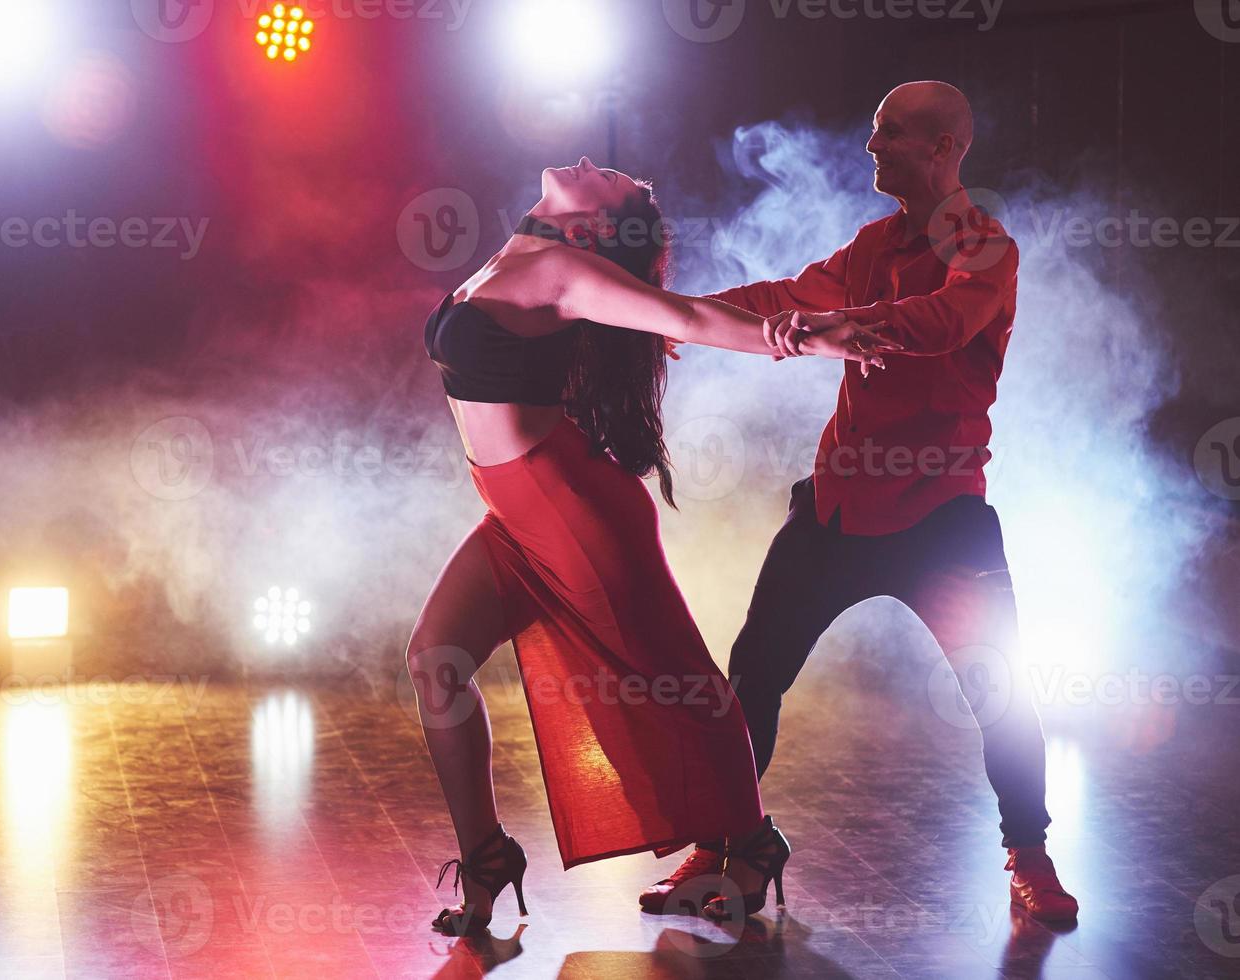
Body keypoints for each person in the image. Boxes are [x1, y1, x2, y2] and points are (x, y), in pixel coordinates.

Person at [412, 156, 895, 935]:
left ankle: (752, 839)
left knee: (673, 682)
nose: (595, 161)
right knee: (435, 660)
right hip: (517, 513)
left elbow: (689, 318)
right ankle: (487, 856)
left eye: (614, 179)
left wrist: (799, 340)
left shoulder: (562, 270)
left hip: (573, 510)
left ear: (598, 225)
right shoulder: (521, 254)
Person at [639, 81, 1080, 923]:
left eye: (894, 134)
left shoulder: (987, 248)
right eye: (875, 132)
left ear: (947, 148)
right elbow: (784, 299)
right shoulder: (871, 243)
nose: (872, 148)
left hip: (943, 516)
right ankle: (718, 843)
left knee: (1002, 694)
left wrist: (838, 326)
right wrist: (680, 319)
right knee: (752, 676)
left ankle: (1031, 857)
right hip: (837, 508)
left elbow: (944, 321)